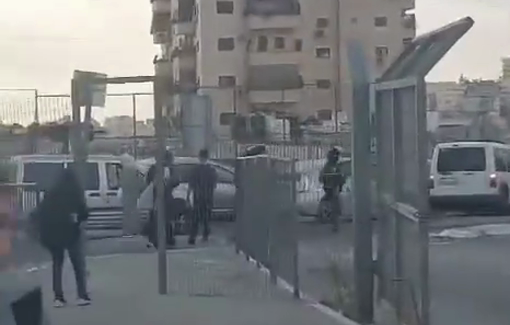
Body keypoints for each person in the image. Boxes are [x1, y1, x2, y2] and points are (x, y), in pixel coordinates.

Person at [34, 167, 90, 307]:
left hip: (54, 234)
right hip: (72, 232)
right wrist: (78, 221)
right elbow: (84, 212)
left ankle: (58, 297)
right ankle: (81, 295)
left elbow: (41, 212)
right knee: (78, 265)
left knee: (57, 265)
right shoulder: (75, 192)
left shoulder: (51, 193)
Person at [142, 150, 180, 247]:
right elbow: (176, 181)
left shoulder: (154, 168)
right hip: (165, 197)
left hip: (157, 197)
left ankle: (157, 239)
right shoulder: (170, 169)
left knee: (157, 219)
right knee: (164, 219)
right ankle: (166, 239)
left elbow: (147, 181)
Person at [187, 149, 217, 245]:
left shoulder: (195, 170)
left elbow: (191, 185)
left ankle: (192, 237)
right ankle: (205, 235)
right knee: (206, 218)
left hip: (198, 197)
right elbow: (214, 185)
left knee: (195, 218)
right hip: (208, 197)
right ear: (207, 157)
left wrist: (188, 196)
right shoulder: (212, 170)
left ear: (199, 157)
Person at [319, 147, 346, 232]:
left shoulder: (332, 166)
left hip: (332, 187)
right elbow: (323, 177)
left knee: (333, 203)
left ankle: (334, 222)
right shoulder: (331, 166)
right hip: (331, 187)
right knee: (333, 203)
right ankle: (333, 221)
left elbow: (340, 177)